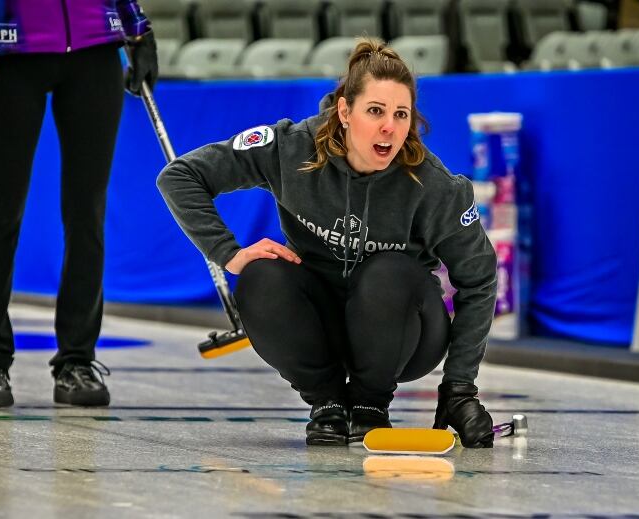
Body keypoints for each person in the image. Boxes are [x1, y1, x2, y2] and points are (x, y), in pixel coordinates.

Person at [157, 38, 498, 447]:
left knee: (388, 270)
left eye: (400, 114)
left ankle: (371, 404)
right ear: (344, 112)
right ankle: (328, 404)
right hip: (325, 323)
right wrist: (228, 253)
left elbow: (479, 279)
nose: (389, 127)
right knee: (261, 275)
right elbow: (180, 177)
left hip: (405, 334)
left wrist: (459, 388)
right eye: (375, 111)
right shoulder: (290, 146)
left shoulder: (433, 185)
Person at [0, 0, 158, 408]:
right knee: (0, 215)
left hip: (94, 51)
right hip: (8, 54)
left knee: (86, 214)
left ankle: (77, 360)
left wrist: (139, 31)